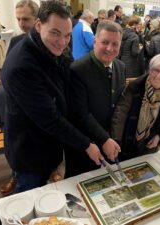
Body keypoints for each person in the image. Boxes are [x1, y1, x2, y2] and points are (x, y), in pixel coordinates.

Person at [1, 0, 104, 193]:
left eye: (67, 36)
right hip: (29, 148)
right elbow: (50, 119)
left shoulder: (51, 46)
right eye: (55, 33)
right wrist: (87, 144)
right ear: (39, 25)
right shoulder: (22, 66)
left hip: (49, 143)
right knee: (29, 196)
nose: (62, 42)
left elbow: (69, 76)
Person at [65, 20, 125, 178]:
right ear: (94, 41)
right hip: (85, 145)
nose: (109, 48)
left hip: (110, 143)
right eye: (105, 42)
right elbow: (79, 113)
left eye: (115, 44)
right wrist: (103, 138)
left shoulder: (120, 67)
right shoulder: (78, 69)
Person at [0, 0, 39, 196]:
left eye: (26, 19)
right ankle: (15, 175)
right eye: (18, 19)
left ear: (37, 20)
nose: (22, 23)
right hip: (16, 114)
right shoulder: (15, 41)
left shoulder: (48, 45)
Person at [110, 53, 160, 161]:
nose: (158, 76)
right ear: (149, 69)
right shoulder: (134, 87)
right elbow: (120, 115)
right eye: (156, 70)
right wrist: (115, 140)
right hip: (123, 144)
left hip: (147, 149)